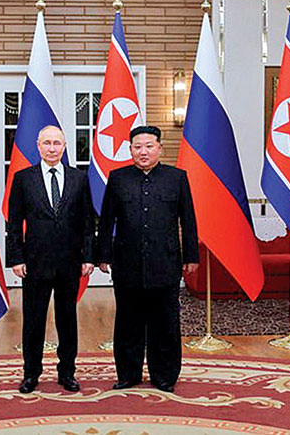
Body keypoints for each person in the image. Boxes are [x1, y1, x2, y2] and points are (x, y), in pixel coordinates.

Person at [96, 125, 198, 393]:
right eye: (137, 147)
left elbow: (188, 219)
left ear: (159, 148)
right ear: (130, 150)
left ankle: (164, 376)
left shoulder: (176, 178)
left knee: (164, 323)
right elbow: (106, 220)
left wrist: (191, 255)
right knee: (128, 323)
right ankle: (128, 374)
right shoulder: (118, 178)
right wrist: (103, 254)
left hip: (165, 263)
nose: (143, 152)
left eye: (149, 146)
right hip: (126, 263)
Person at [7, 125, 95, 394]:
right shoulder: (23, 179)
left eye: (57, 143)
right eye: (47, 143)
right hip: (35, 263)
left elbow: (87, 222)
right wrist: (16, 258)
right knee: (34, 321)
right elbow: (14, 223)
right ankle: (31, 374)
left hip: (70, 262)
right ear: (38, 146)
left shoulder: (79, 179)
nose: (52, 148)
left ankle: (67, 372)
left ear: (64, 146)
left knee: (67, 320)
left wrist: (88, 257)